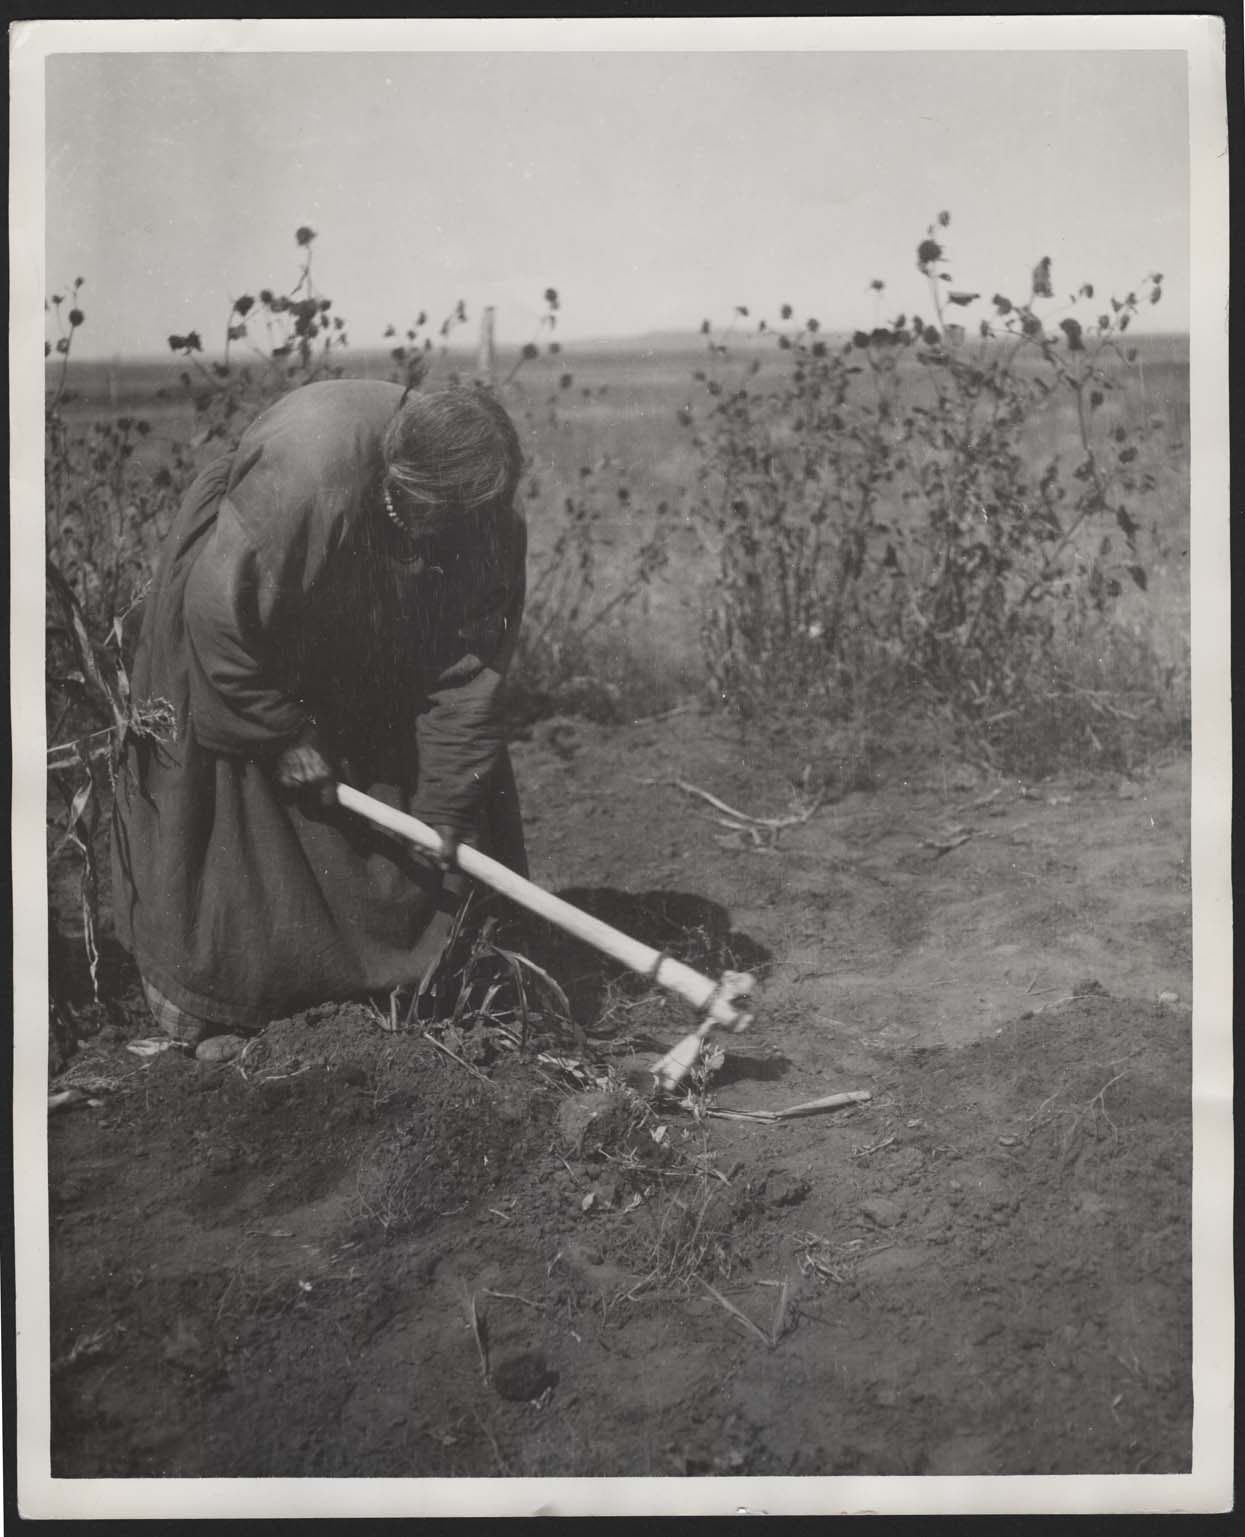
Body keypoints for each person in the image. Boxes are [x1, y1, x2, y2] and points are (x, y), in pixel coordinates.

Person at [111, 379, 528, 1047]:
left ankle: (408, 982)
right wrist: (278, 730)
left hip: (366, 621)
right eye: (450, 528)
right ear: (413, 497)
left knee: (427, 795)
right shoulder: (310, 469)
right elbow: (221, 619)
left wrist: (443, 811)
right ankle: (225, 1005)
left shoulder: (484, 523)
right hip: (249, 614)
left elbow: (469, 674)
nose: (472, 539)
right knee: (241, 807)